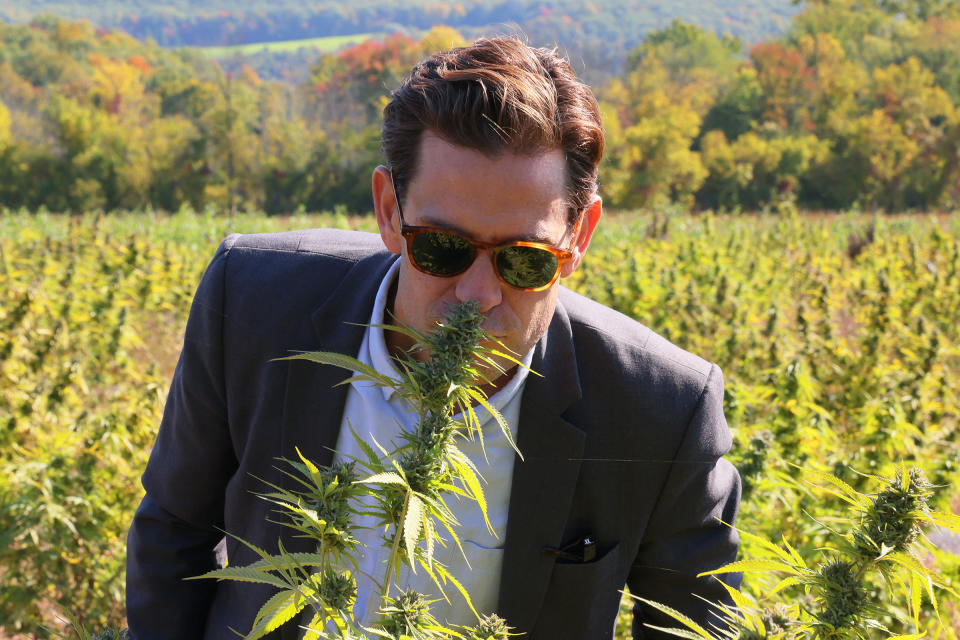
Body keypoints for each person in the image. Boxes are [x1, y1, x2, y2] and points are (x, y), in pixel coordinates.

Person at [126, 36, 740, 639]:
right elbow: (174, 527)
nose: (478, 295)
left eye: (524, 260)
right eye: (443, 248)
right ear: (390, 210)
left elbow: (696, 623)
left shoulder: (662, 407)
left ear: (578, 237)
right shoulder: (255, 302)